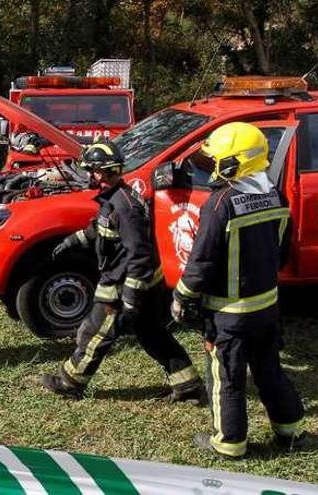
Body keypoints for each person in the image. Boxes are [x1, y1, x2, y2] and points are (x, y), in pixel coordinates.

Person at [172, 122, 305, 458]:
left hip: (228, 316)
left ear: (233, 163)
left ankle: (229, 444)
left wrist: (181, 297)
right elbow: (283, 251)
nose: (211, 167)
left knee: (227, 379)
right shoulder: (276, 195)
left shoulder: (221, 204)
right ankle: (287, 431)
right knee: (270, 371)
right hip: (267, 308)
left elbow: (201, 262)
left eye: (215, 160)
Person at [41, 141, 204, 401]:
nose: (95, 177)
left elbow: (140, 257)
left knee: (95, 333)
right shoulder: (115, 199)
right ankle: (188, 385)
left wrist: (129, 297)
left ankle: (70, 382)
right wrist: (72, 241)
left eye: (100, 171)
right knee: (153, 335)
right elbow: (101, 230)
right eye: (94, 171)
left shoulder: (125, 207)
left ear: (111, 171)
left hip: (123, 286)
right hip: (143, 285)